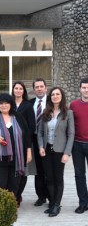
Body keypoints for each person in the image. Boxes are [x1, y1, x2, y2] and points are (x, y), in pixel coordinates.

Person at [0, 93, 32, 203]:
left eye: (6, 103)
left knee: (14, 185)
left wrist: (29, 152)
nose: (4, 105)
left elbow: (27, 136)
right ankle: (0, 208)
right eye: (1, 103)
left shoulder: (18, 117)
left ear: (11, 104)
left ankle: (10, 207)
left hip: (17, 159)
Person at [38, 87, 74, 217]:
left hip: (60, 151)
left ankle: (57, 205)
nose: (55, 96)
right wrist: (41, 146)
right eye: (52, 94)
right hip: (47, 150)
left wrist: (67, 153)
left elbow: (71, 134)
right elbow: (40, 133)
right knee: (49, 178)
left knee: (58, 178)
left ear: (61, 96)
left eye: (57, 94)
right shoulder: (45, 113)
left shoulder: (68, 113)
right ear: (50, 97)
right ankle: (52, 203)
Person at [12, 81, 36, 206]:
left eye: (20, 88)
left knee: (23, 171)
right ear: (13, 90)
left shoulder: (27, 105)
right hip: (10, 144)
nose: (18, 90)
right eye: (16, 88)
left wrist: (25, 141)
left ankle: (17, 195)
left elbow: (32, 127)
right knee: (12, 171)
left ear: (23, 91)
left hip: (24, 143)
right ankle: (12, 194)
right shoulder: (8, 104)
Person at [30, 78, 50, 206]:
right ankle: (41, 196)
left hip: (50, 141)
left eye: (41, 86)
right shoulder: (29, 103)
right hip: (34, 140)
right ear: (34, 90)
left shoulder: (52, 101)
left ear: (46, 88)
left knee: (49, 170)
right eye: (36, 87)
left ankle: (51, 196)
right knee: (38, 171)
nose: (39, 88)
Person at [70, 77, 88, 214]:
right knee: (79, 175)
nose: (86, 90)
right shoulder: (73, 105)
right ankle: (83, 203)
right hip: (77, 145)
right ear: (80, 89)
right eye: (84, 87)